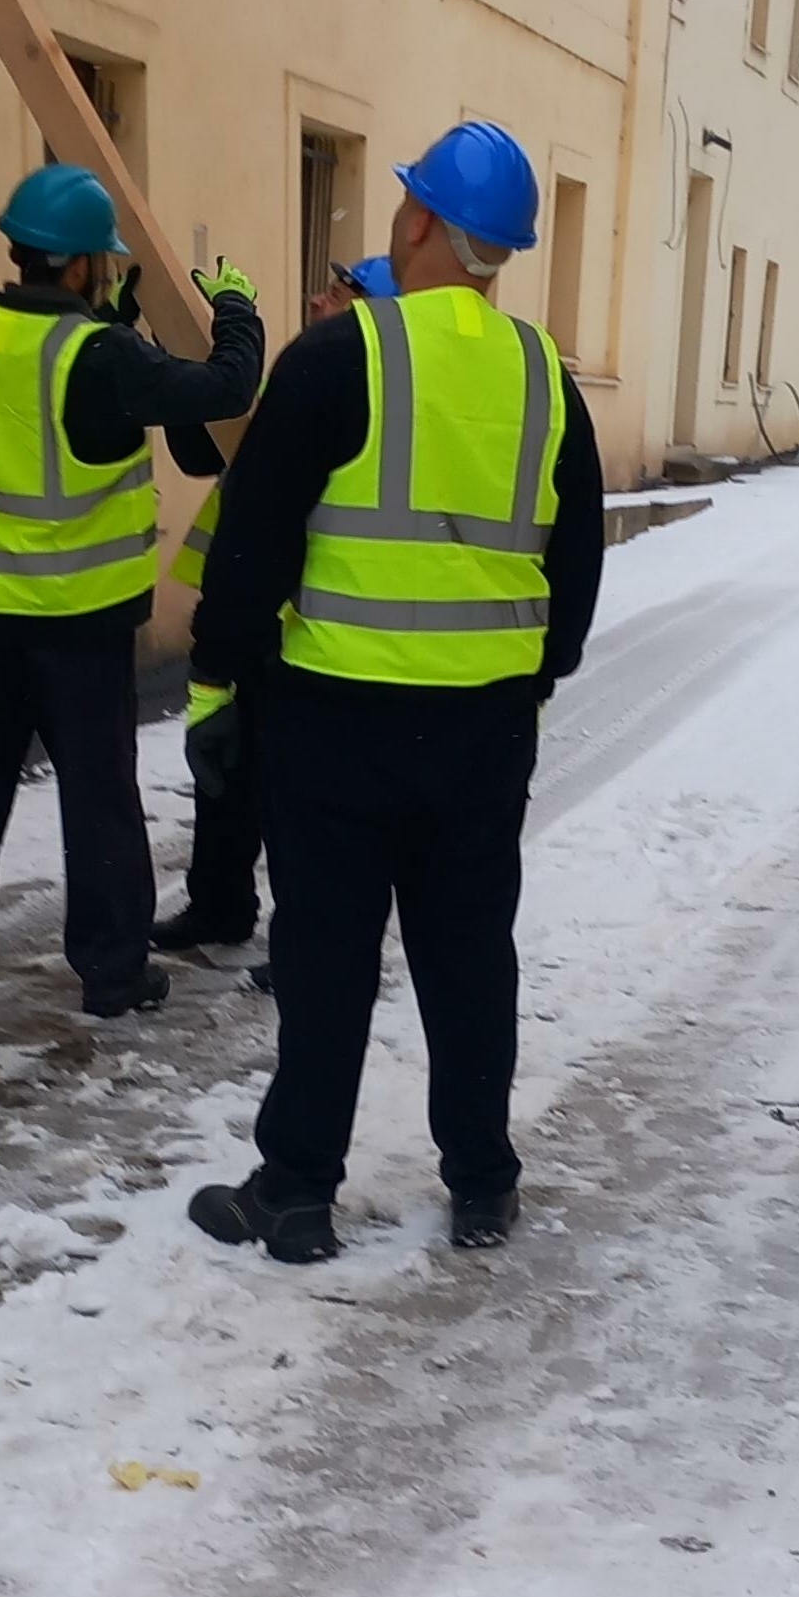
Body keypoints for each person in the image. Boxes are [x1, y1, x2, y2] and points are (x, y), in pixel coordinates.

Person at [177, 129, 601, 1265]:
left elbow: (251, 547)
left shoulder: (337, 358)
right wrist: (530, 685)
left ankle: (296, 1194)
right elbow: (575, 566)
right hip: (483, 732)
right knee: (470, 957)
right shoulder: (545, 379)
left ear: (417, 222)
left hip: (335, 724)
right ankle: (482, 1185)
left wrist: (217, 687)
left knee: (326, 958)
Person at [0, 166, 261, 1029]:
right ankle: (114, 975)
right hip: (80, 634)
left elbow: (38, 403)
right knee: (100, 806)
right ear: (83, 263)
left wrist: (112, 323)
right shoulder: (104, 359)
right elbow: (225, 387)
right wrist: (236, 310)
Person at [152, 256, 392, 976]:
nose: (317, 299)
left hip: (314, 624)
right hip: (253, 612)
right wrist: (184, 355)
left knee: (297, 794)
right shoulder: (300, 378)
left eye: (337, 293)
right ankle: (220, 903)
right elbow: (203, 450)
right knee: (228, 770)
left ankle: (305, 939)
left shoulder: (368, 402)